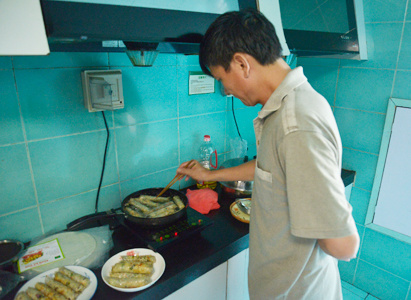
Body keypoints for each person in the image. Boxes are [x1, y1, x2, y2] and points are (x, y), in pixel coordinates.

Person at [176, 8, 360, 300]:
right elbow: (271, 166)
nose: (225, 90)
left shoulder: (297, 124)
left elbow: (344, 245)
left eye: (222, 78)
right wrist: (209, 174)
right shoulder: (285, 107)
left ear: (241, 64)